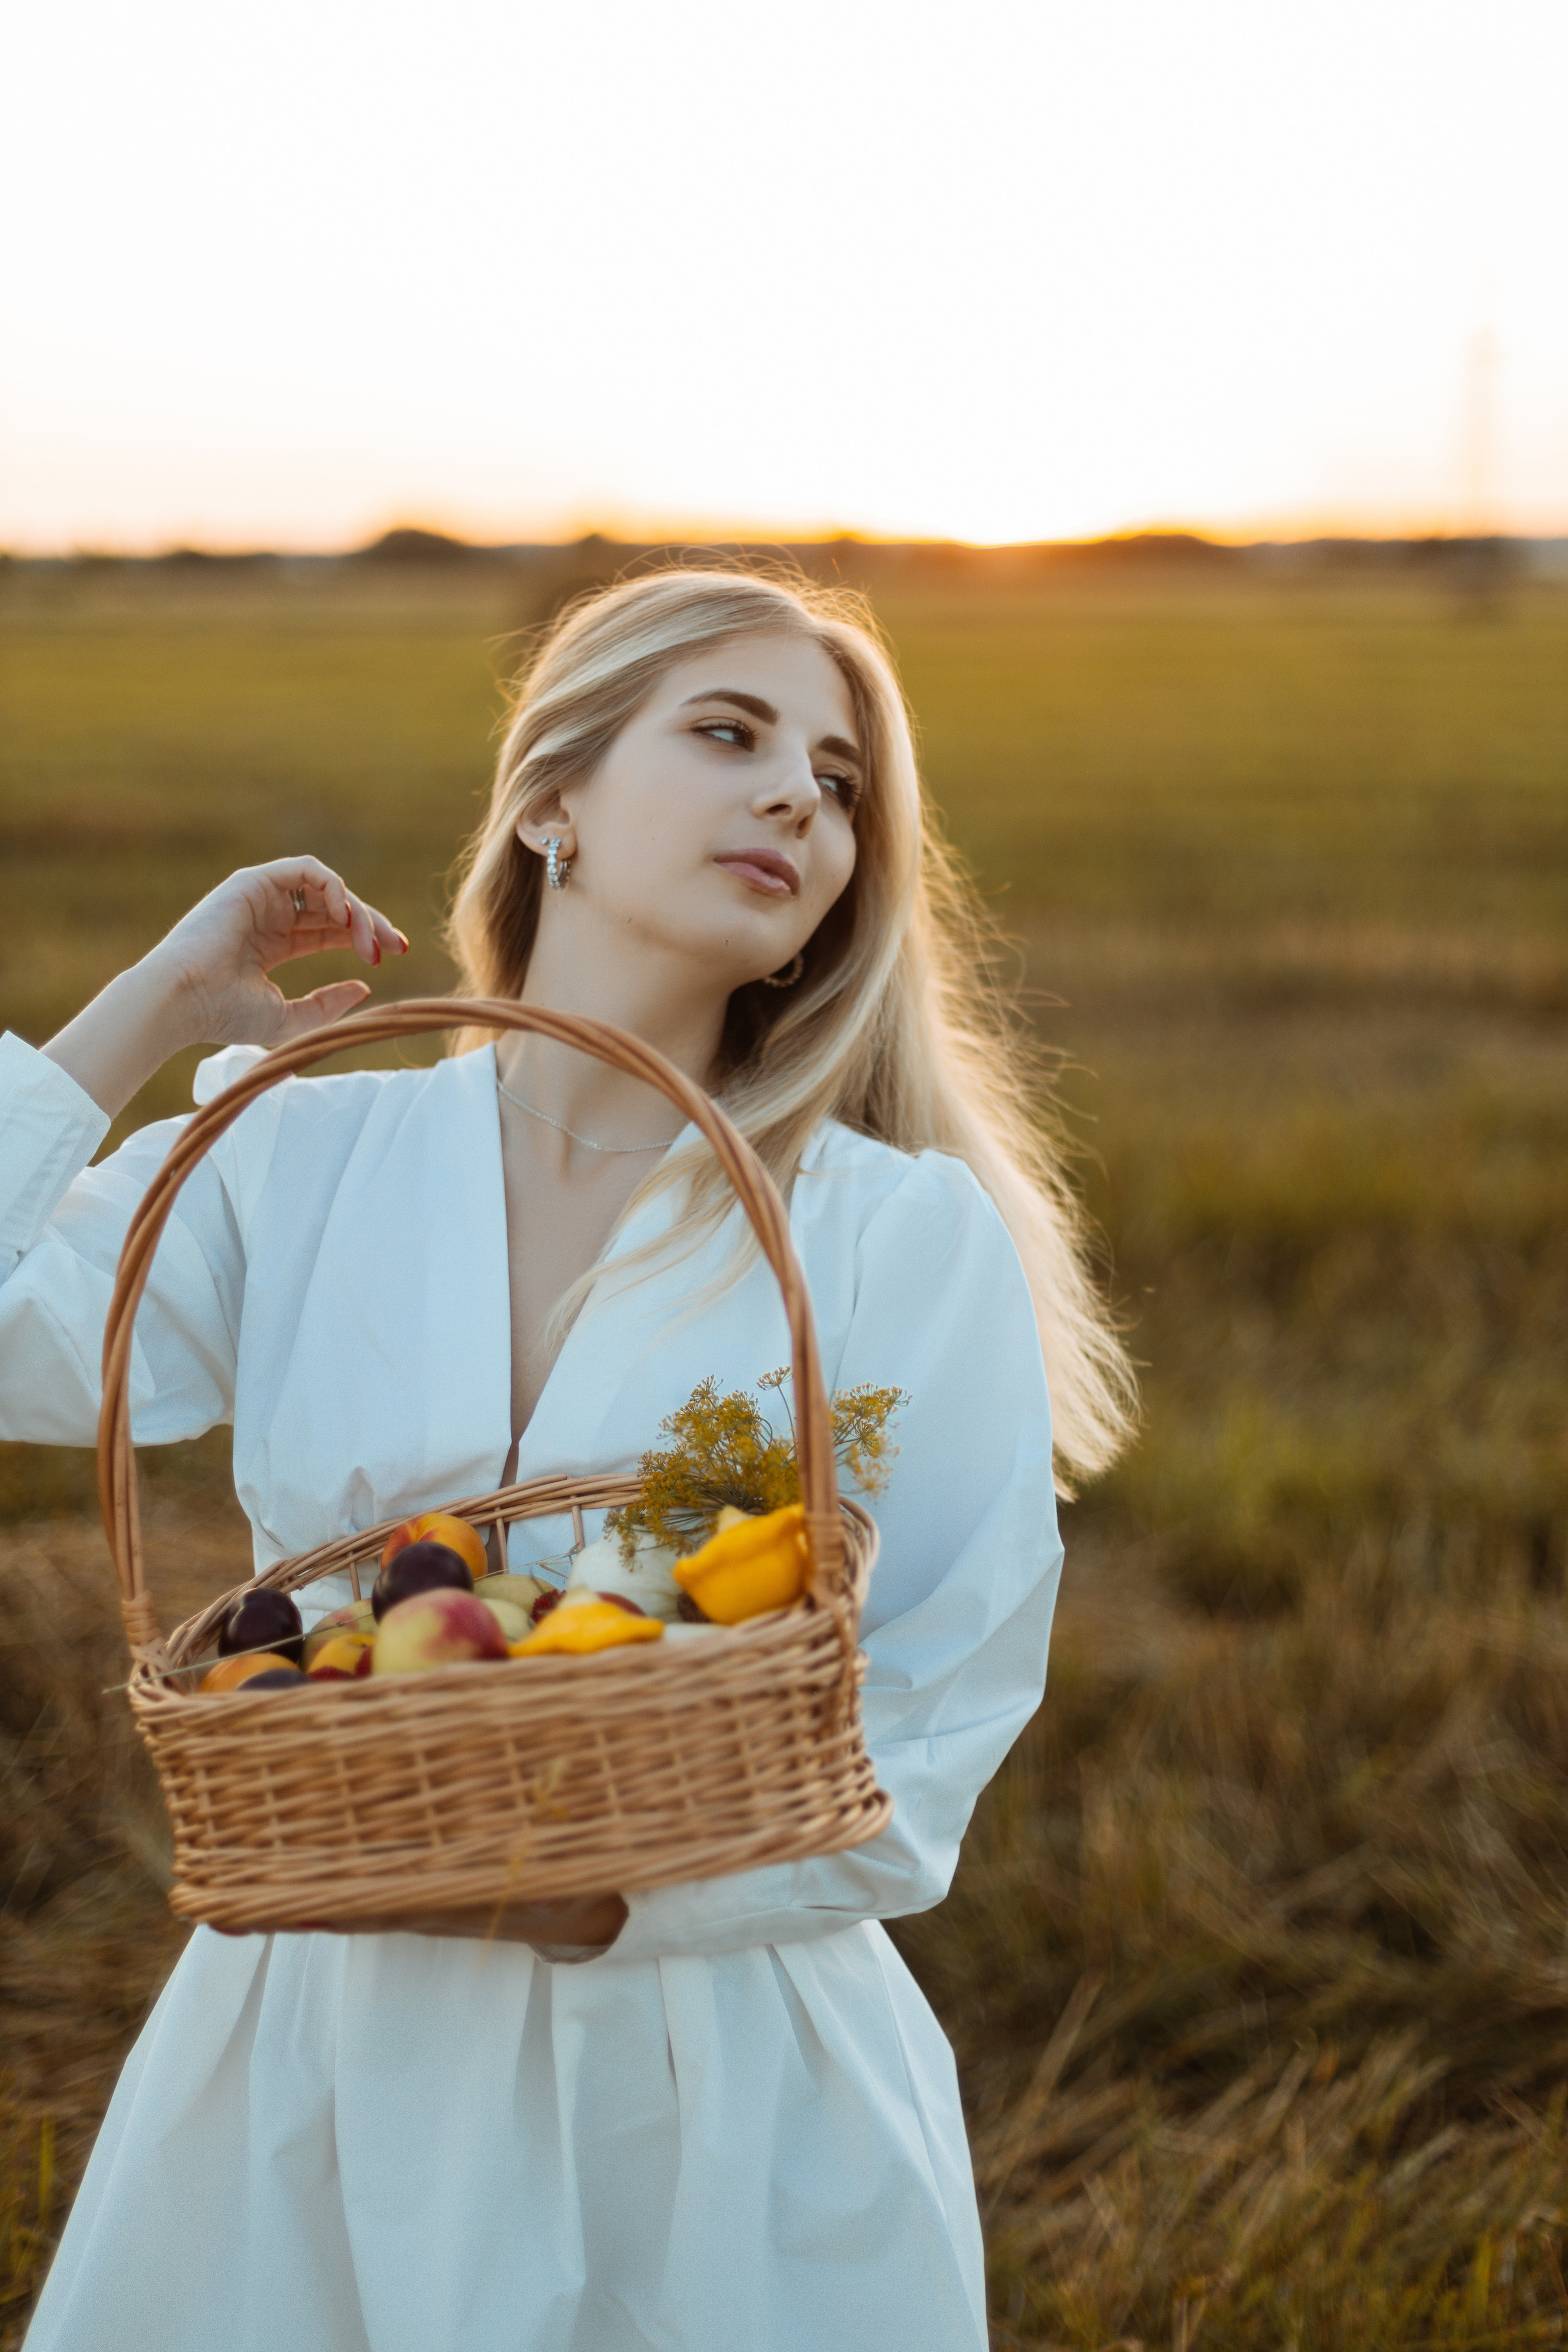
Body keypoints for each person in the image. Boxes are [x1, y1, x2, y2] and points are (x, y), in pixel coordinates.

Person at [4, 564, 1134, 2352]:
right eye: (730, 732)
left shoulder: (890, 1237)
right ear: (552, 805)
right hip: (319, 2052)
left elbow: (937, 1696)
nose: (796, 799)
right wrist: (153, 1005)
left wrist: (609, 1902)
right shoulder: (299, 1154)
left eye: (839, 783)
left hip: (716, 2087)